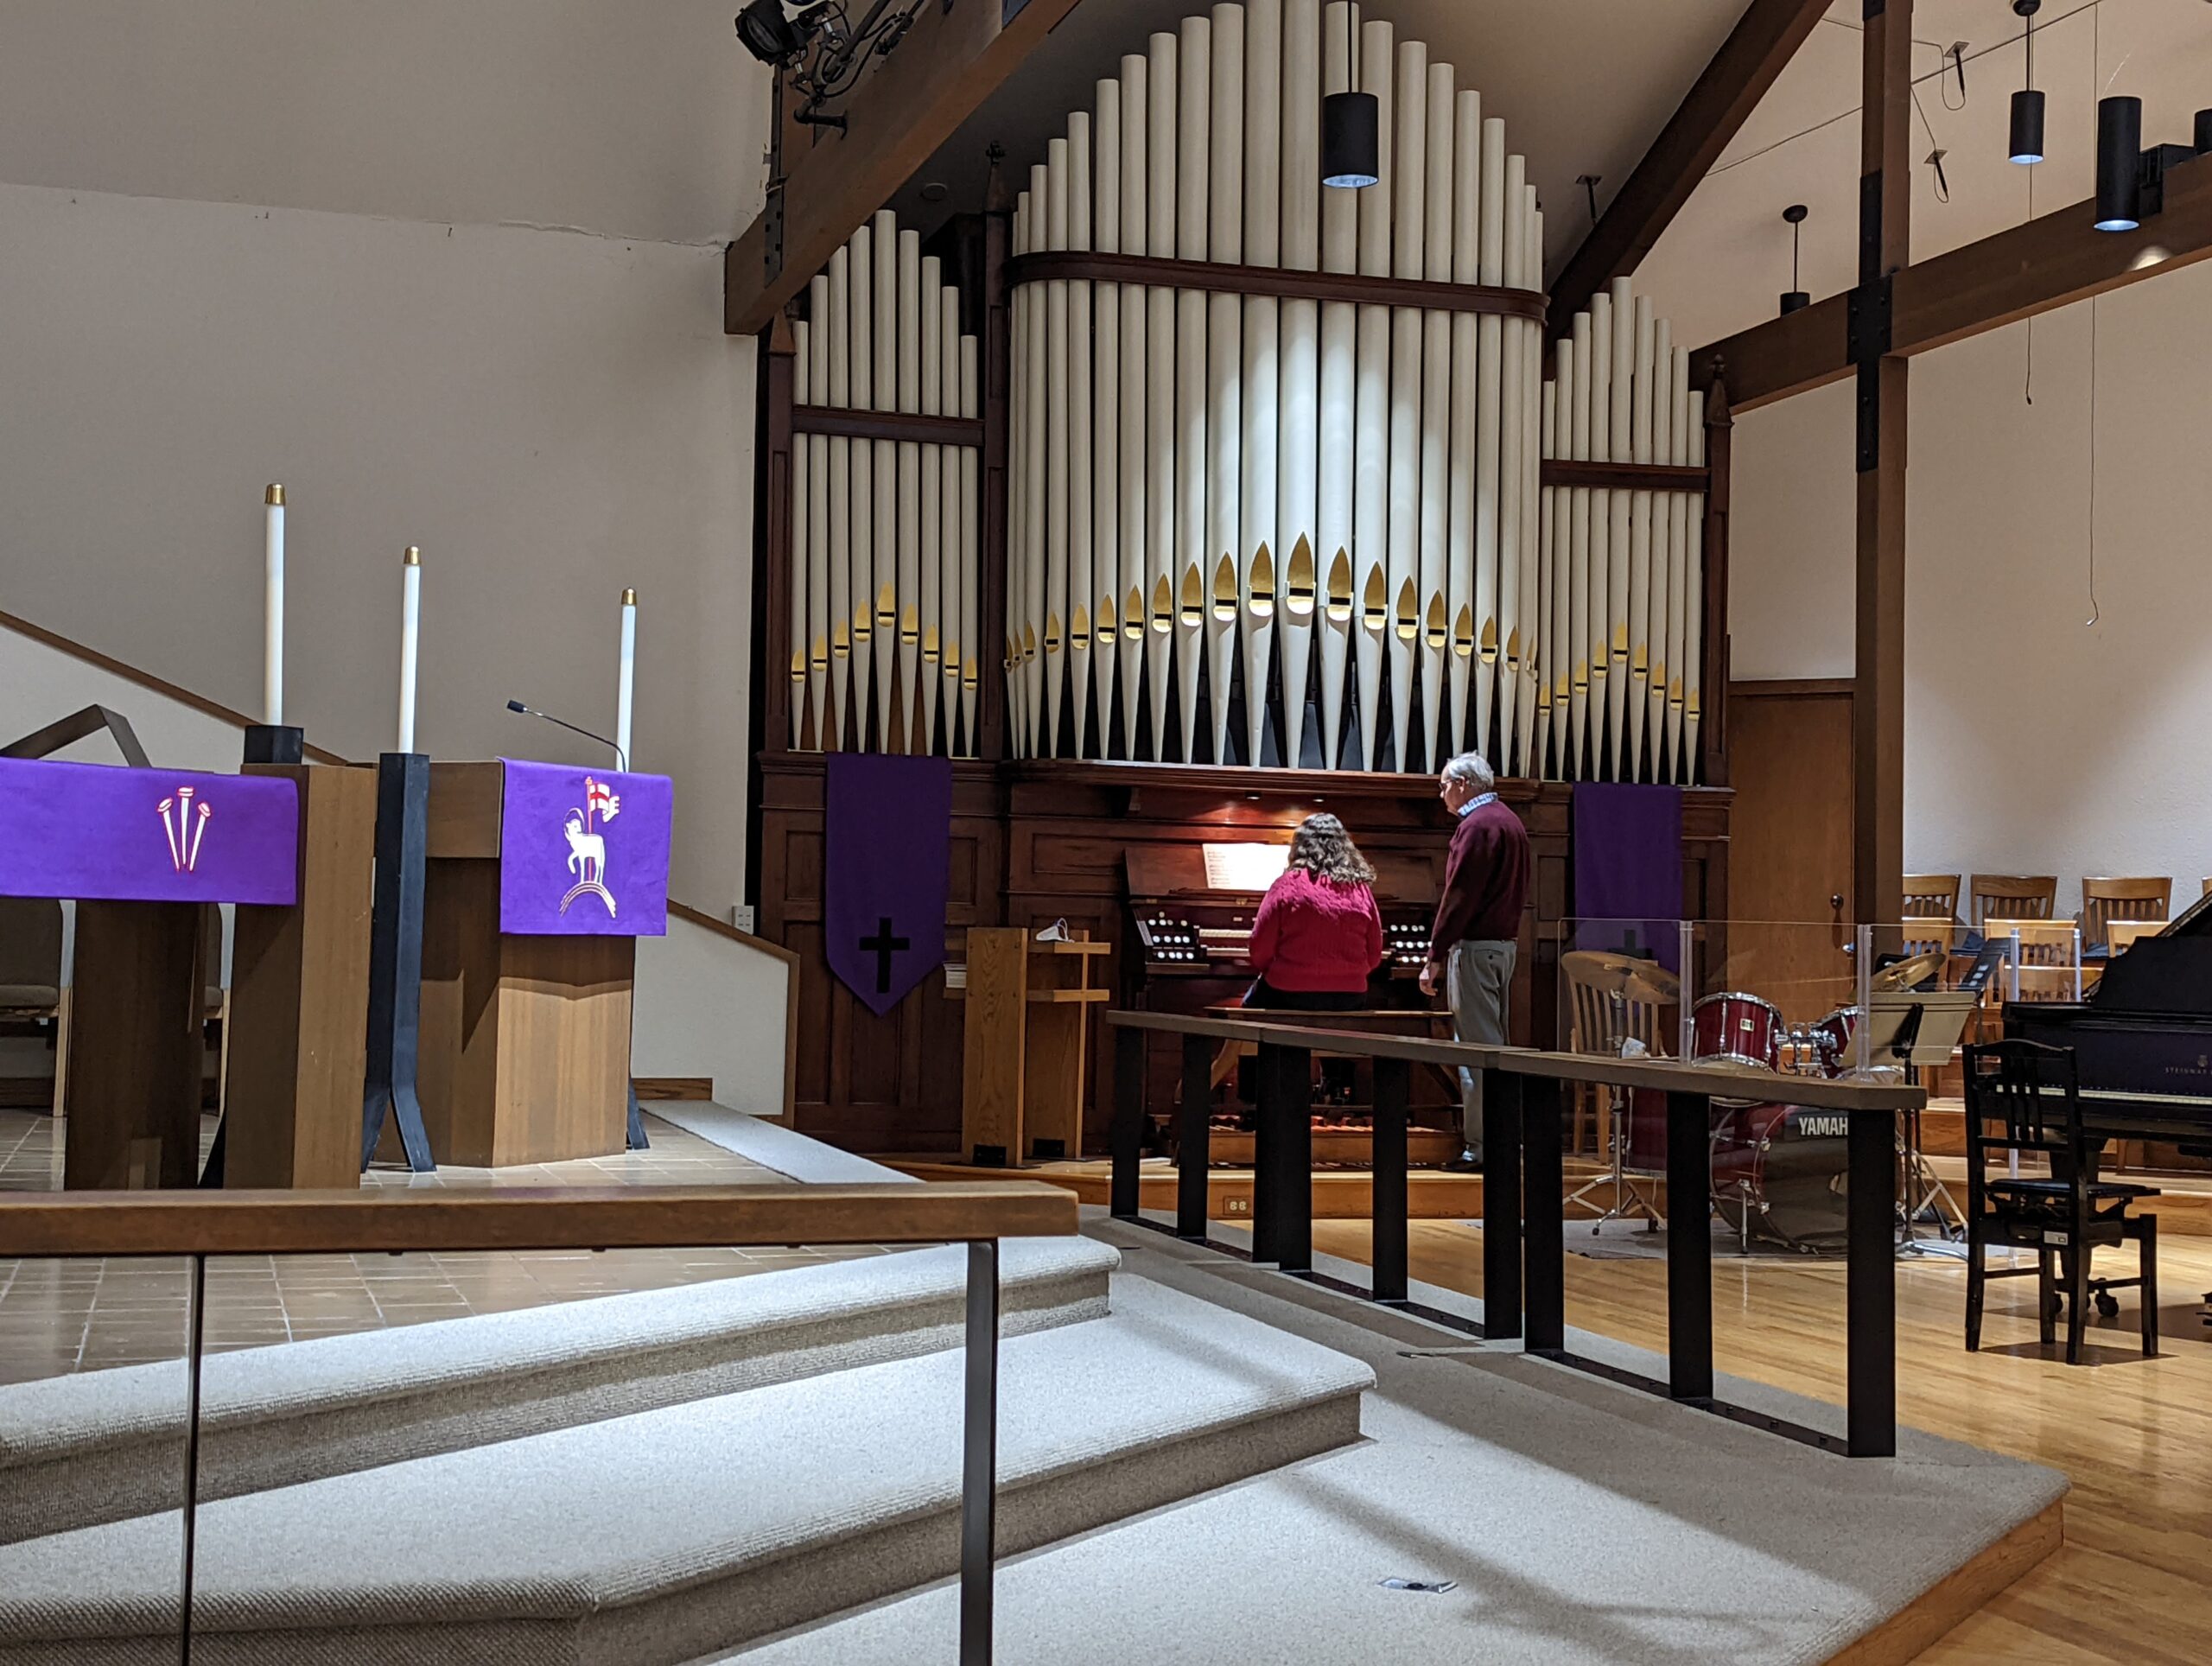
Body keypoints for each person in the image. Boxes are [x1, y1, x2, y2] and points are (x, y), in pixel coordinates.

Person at [1421, 751, 1529, 1170]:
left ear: (1465, 784)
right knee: (1494, 1049)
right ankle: (1499, 1139)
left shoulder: (1477, 826)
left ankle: (1484, 1148)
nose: (1443, 792)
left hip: (1476, 947)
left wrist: (1435, 954)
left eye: (1445, 784)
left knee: (1476, 1053)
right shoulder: (1509, 821)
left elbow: (1459, 897)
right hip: (1504, 948)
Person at [1244, 814, 1384, 1012]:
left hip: (1289, 991)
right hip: (1350, 995)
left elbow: (1260, 949)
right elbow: (1374, 953)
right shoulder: (1360, 889)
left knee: (1249, 1007)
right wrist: (1345, 975)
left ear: (1300, 847)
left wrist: (1281, 971)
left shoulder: (1286, 885)